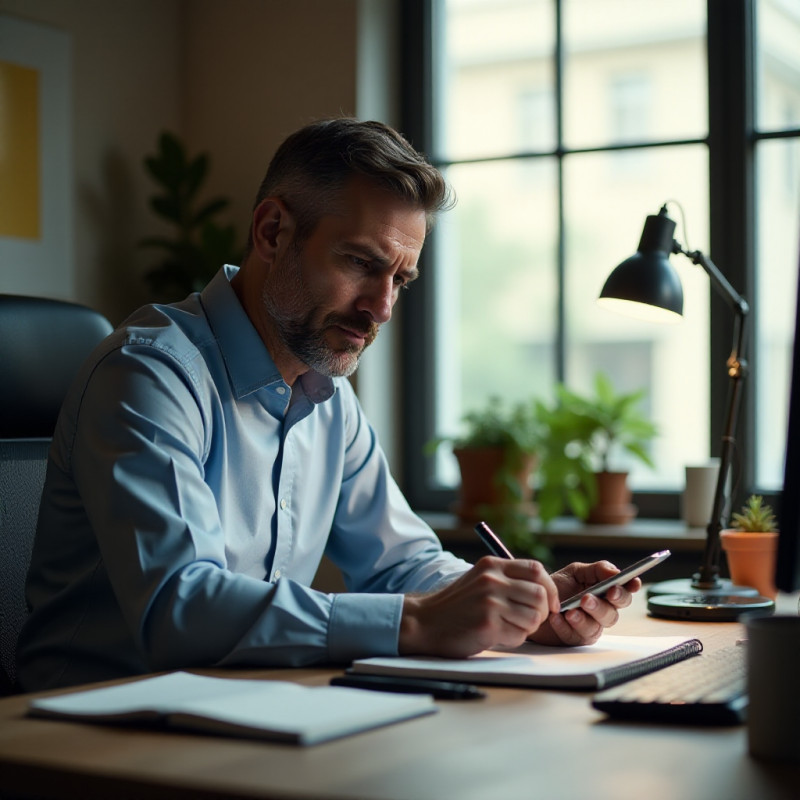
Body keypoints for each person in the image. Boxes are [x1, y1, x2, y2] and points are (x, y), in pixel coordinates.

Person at [16, 118, 640, 692]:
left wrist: (521, 604)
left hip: (243, 712)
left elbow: (402, 564)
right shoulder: (150, 375)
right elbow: (179, 608)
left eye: (400, 279)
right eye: (361, 263)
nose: (382, 308)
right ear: (272, 232)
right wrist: (417, 622)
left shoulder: (329, 398)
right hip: (84, 728)